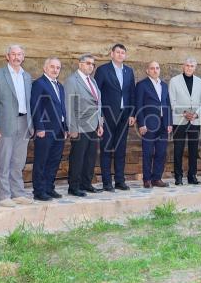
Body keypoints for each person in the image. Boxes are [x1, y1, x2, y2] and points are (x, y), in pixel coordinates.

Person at [0, 44, 33, 208]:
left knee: (18, 161)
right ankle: (3, 195)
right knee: (5, 160)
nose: (16, 57)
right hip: (5, 122)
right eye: (13, 54)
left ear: (23, 57)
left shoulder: (27, 76)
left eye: (19, 54)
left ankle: (18, 193)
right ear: (7, 56)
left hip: (24, 122)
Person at [94, 44, 136, 192]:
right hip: (108, 115)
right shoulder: (102, 70)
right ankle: (107, 182)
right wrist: (99, 117)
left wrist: (132, 114)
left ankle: (120, 180)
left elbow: (132, 94)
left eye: (122, 53)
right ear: (111, 54)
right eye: (117, 52)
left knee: (120, 149)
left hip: (124, 116)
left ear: (125, 55)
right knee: (106, 149)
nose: (120, 55)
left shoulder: (129, 71)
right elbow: (96, 94)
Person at [64, 54, 104, 197]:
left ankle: (86, 184)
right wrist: (72, 128)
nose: (91, 66)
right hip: (80, 126)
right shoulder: (72, 81)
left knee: (90, 157)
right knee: (78, 157)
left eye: (93, 64)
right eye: (88, 63)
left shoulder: (92, 81)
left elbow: (98, 104)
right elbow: (69, 106)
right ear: (80, 64)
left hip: (93, 125)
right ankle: (73, 187)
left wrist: (100, 123)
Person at [30, 57, 68, 202]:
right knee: (42, 161)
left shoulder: (60, 86)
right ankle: (39, 191)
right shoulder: (39, 84)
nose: (55, 70)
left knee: (54, 160)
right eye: (52, 67)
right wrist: (39, 127)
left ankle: (49, 188)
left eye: (58, 67)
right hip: (45, 129)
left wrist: (65, 128)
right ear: (45, 68)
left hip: (59, 130)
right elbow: (36, 106)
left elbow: (62, 108)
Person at [168, 57, 201, 185]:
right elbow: (172, 101)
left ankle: (192, 176)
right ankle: (178, 176)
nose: (189, 68)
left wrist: (196, 114)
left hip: (195, 120)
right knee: (178, 148)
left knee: (194, 149)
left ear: (195, 68)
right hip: (179, 120)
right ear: (183, 66)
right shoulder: (174, 81)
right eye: (187, 65)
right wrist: (184, 112)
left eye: (192, 66)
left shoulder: (200, 82)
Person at [135, 61, 172, 188]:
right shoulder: (141, 85)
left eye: (157, 68)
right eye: (152, 68)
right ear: (147, 71)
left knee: (161, 152)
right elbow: (138, 105)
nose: (155, 70)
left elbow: (167, 105)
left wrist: (169, 123)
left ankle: (157, 178)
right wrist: (141, 124)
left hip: (163, 124)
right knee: (148, 152)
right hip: (148, 124)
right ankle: (147, 179)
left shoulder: (164, 85)